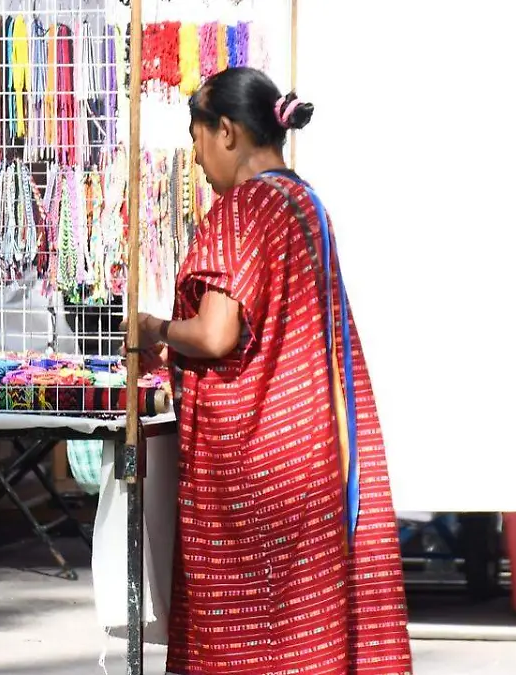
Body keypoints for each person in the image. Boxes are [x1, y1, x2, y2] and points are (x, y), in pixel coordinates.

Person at [125, 68, 413, 673]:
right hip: (313, 452)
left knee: (245, 637)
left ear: (226, 132)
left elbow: (215, 333)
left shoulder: (243, 208)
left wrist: (155, 331)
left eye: (197, 138)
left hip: (256, 471)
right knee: (306, 632)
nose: (198, 161)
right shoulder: (307, 202)